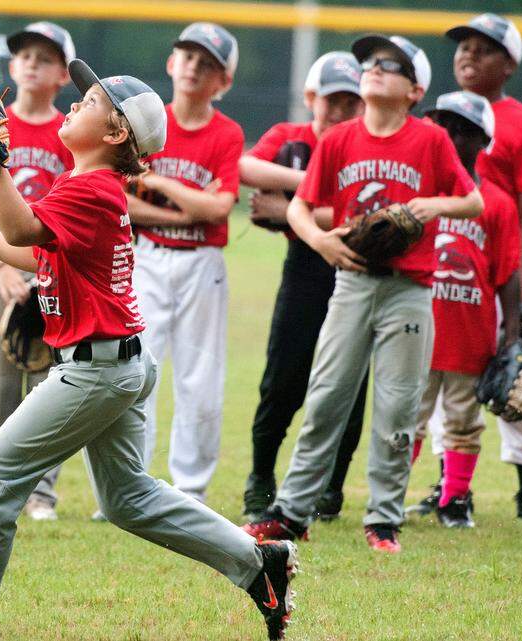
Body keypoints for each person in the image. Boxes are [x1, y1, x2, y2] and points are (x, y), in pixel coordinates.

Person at [0, 60, 298, 640]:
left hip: (96, 371)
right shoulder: (89, 186)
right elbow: (41, 251)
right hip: (119, 361)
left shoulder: (90, 188)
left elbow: (24, 230)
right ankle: (259, 562)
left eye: (89, 103)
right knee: (128, 498)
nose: (75, 105)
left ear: (115, 133)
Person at [244, 34, 483, 553]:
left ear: (415, 90)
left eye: (390, 65)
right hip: (351, 283)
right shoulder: (339, 139)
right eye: (371, 62)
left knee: (398, 405)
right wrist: (320, 241)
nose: (375, 68)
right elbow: (300, 207)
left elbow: (473, 201)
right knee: (326, 397)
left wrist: (433, 206)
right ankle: (292, 513)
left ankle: (383, 519)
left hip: (409, 288)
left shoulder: (430, 141)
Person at [421, 12, 522, 522]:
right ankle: (449, 487)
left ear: (510, 63)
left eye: (484, 49)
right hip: (446, 279)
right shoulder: (438, 118)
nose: (469, 55)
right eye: (464, 47)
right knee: (445, 393)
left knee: (513, 378)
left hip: (497, 275)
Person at [238, 51, 366, 521]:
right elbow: (244, 168)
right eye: (332, 100)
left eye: (350, 102)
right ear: (311, 97)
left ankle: (332, 485)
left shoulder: (365, 144)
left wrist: (289, 209)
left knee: (349, 384)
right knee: (283, 377)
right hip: (305, 267)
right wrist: (311, 186)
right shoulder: (292, 138)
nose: (339, 111)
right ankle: (260, 476)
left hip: (356, 267)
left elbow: (364, 216)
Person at [0, 21, 76, 522]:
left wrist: (41, 267)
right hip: (1, 270)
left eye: (45, 58)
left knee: (51, 385)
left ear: (63, 76)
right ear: (11, 65)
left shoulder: (71, 133)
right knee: (0, 383)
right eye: (25, 55)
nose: (32, 64)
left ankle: (41, 492)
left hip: (54, 271)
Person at [126, 22, 244, 503]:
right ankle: (129, 482)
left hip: (202, 264)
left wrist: (158, 182)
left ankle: (190, 490)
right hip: (146, 258)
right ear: (172, 62)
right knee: (135, 372)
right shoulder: (148, 121)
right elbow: (120, 199)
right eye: (188, 56)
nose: (194, 67)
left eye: (208, 63)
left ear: (224, 81)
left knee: (200, 377)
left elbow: (219, 208)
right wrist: (184, 206)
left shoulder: (227, 133)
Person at [412, 90, 521, 529]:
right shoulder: (418, 193)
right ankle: (388, 498)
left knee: (462, 420)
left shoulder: (497, 203)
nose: (453, 139)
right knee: (406, 419)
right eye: (445, 129)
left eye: (464, 132)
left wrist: (512, 335)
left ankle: (454, 500)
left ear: (484, 142)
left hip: (470, 336)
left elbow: (507, 273)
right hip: (417, 330)